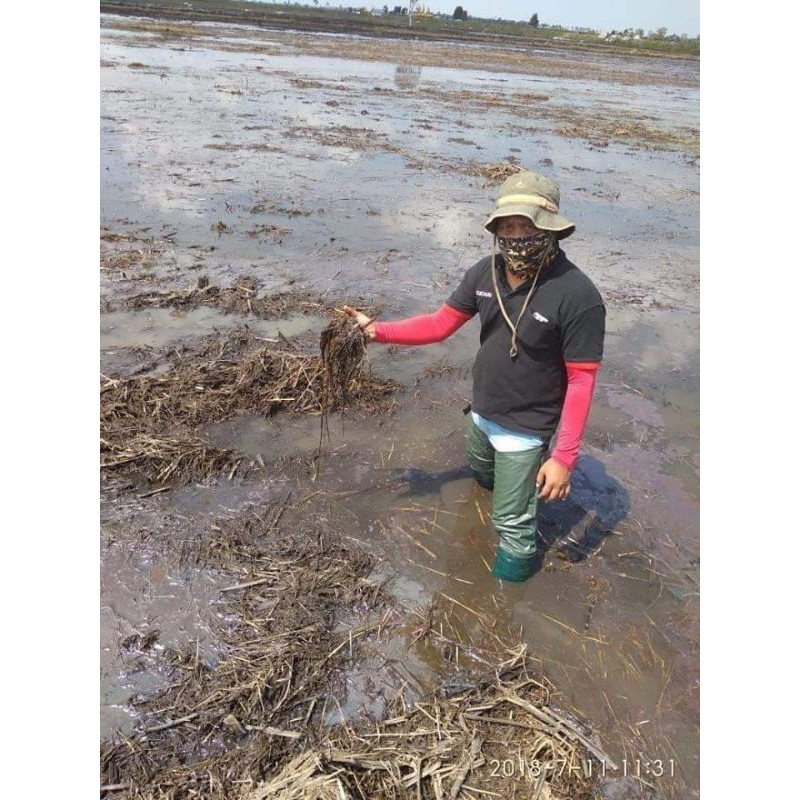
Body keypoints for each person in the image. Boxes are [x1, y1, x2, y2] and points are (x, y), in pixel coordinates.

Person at [344, 170, 605, 582]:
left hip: (526, 427)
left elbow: (581, 382)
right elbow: (440, 324)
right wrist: (378, 331)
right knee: (481, 471)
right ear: (497, 228)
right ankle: (506, 499)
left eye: (528, 225)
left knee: (513, 525)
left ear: (551, 229)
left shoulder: (578, 296)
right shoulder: (486, 272)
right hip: (483, 411)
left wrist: (563, 459)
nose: (517, 235)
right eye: (508, 226)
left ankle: (507, 592)